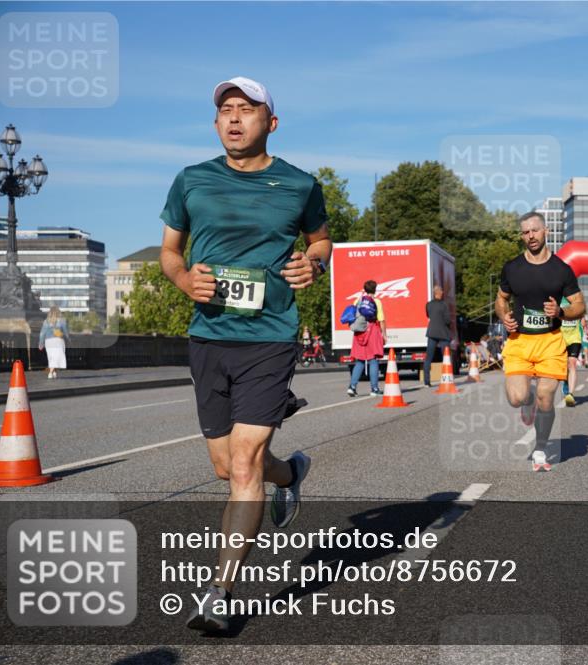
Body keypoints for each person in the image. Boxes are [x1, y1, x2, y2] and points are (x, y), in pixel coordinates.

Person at [159, 76, 331, 633]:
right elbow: (169, 251)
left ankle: (220, 593)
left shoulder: (300, 184)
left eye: (247, 109)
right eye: (226, 110)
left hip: (270, 335)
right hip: (209, 336)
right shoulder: (192, 180)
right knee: (224, 466)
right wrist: (184, 279)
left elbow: (320, 239)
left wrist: (315, 262)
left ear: (270, 123)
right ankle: (291, 472)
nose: (234, 118)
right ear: (216, 123)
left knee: (242, 464)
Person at [496, 211, 585, 471]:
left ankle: (540, 448)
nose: (531, 236)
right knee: (517, 398)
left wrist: (560, 312)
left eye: (535, 230)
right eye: (525, 232)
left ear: (546, 231)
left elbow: (580, 306)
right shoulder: (512, 268)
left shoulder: (561, 270)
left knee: (546, 396)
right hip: (519, 341)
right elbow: (501, 299)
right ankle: (528, 399)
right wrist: (504, 316)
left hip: (550, 341)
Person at [347, 280, 387, 397]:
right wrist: (384, 334)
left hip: (359, 333)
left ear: (364, 289)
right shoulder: (377, 302)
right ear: (375, 289)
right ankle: (374, 389)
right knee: (373, 360)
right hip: (372, 331)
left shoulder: (357, 301)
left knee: (360, 360)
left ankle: (352, 387)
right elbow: (381, 320)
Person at [559, 296, 586, 407]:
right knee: (565, 365)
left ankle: (570, 394)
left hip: (575, 337)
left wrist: (584, 325)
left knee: (573, 363)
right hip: (561, 337)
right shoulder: (557, 298)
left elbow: (582, 317)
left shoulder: (577, 299)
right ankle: (566, 382)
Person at [423, 285, 452, 387]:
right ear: (438, 293)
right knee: (446, 357)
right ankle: (447, 379)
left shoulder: (428, 305)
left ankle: (427, 382)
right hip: (443, 333)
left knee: (428, 358)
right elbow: (447, 320)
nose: (443, 292)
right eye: (441, 291)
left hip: (431, 333)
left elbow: (428, 315)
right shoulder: (444, 305)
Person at [38, 305, 70, 379]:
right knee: (57, 357)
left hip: (48, 341)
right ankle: (50, 372)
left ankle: (54, 372)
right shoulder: (62, 321)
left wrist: (41, 343)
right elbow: (66, 332)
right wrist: (69, 339)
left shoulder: (46, 321)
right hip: (59, 341)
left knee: (52, 357)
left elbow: (42, 333)